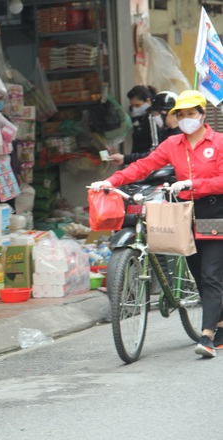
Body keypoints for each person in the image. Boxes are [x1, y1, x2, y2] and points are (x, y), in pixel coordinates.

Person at [91, 90, 223, 358]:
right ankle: (219, 323)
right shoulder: (173, 144)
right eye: (181, 114)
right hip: (186, 213)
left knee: (211, 274)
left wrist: (193, 184)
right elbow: (143, 166)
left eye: (191, 113)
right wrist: (111, 182)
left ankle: (207, 336)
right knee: (199, 274)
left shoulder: (219, 142)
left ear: (202, 114)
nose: (186, 119)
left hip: (215, 210)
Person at [110, 90, 181, 165]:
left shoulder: (178, 137)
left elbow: (156, 156)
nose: (155, 117)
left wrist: (126, 159)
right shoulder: (167, 132)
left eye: (155, 114)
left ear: (164, 113)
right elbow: (155, 154)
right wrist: (125, 159)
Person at [126, 85, 158, 156]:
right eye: (132, 106)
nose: (134, 109)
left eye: (137, 105)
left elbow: (155, 148)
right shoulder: (140, 117)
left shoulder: (152, 118)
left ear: (148, 101)